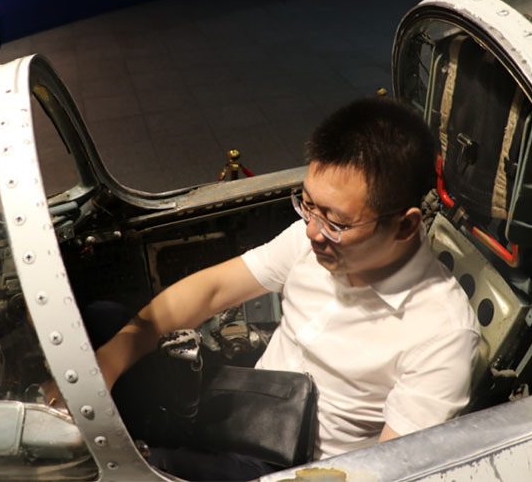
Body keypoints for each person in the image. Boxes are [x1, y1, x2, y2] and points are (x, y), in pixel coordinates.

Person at [90, 97, 480, 478]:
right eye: (308, 204)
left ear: (405, 225)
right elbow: (212, 290)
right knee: (105, 323)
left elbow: (392, 468)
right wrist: (109, 360)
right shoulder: (309, 240)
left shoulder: (443, 334)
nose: (312, 231)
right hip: (251, 400)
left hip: (290, 468)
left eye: (336, 222)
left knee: (146, 467)